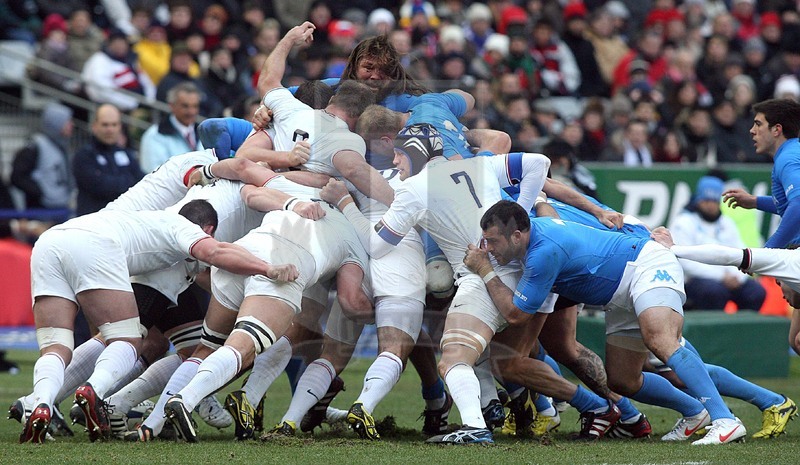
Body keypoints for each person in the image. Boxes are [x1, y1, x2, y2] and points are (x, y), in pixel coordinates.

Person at [319, 129, 619, 445]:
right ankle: (592, 407)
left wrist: (345, 203)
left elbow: (378, 246)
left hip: (485, 276)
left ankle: (478, 427)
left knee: (455, 358)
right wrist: (517, 217)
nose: (395, 161)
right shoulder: (477, 165)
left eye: (400, 153)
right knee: (508, 361)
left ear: (416, 154)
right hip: (525, 267)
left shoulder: (414, 188)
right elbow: (539, 163)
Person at [464, 200, 747, 446]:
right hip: (620, 292)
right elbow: (548, 210)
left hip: (645, 265)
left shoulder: (543, 253)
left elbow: (516, 315)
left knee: (661, 340)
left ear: (516, 236)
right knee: (623, 380)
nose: (488, 248)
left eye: (493, 242)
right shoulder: (535, 229)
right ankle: (695, 412)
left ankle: (725, 419)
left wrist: (485, 270)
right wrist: (540, 199)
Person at [19, 199, 297, 444]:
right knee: (128, 340)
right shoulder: (184, 227)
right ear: (208, 229)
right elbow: (214, 253)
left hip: (49, 240)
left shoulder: (152, 218)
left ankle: (40, 404)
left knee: (56, 346)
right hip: (94, 244)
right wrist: (268, 268)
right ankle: (95, 391)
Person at [163, 178, 371, 443]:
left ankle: (157, 422)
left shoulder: (297, 194)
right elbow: (351, 301)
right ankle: (186, 399)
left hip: (239, 255)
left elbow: (251, 191)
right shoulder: (354, 235)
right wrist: (383, 313)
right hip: (280, 268)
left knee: (208, 348)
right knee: (243, 348)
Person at [650, 226, 798, 438]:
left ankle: (705, 413)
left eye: (778, 282)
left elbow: (726, 254)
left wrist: (675, 249)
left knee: (651, 368)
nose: (780, 291)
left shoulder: (792, 262)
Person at [669, 175, 766, 311]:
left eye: (714, 201)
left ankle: (743, 324)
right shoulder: (684, 222)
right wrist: (721, 277)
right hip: (695, 280)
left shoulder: (727, 223)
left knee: (755, 292)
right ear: (698, 199)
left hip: (728, 278)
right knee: (714, 292)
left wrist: (737, 277)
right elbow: (685, 261)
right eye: (706, 200)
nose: (710, 205)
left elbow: (740, 252)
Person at [722, 98, 800, 248]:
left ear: (776, 129)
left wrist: (767, 250)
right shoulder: (793, 152)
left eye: (758, 124)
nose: (752, 130)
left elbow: (798, 203)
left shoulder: (787, 159)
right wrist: (755, 202)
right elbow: (790, 202)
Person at [73, 104, 143, 215]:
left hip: (122, 219)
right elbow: (100, 187)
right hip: (93, 220)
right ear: (94, 126)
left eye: (114, 125)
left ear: (120, 127)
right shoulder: (84, 156)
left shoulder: (127, 154)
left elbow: (141, 181)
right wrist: (128, 181)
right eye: (105, 125)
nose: (110, 129)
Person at [11, 101, 75, 213]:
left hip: (61, 206)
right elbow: (18, 176)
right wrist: (40, 192)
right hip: (41, 209)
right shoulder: (35, 146)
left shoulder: (61, 145)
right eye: (68, 121)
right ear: (56, 123)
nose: (72, 124)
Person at [81, 29, 155, 112]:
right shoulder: (100, 59)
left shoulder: (131, 61)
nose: (120, 46)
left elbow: (147, 83)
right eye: (116, 42)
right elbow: (101, 88)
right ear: (109, 44)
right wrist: (132, 104)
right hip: (113, 109)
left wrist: (148, 102)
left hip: (140, 106)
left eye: (123, 42)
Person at [139, 82, 203, 172]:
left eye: (195, 106)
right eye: (185, 106)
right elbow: (152, 172)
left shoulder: (204, 133)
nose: (191, 112)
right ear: (172, 106)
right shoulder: (154, 135)